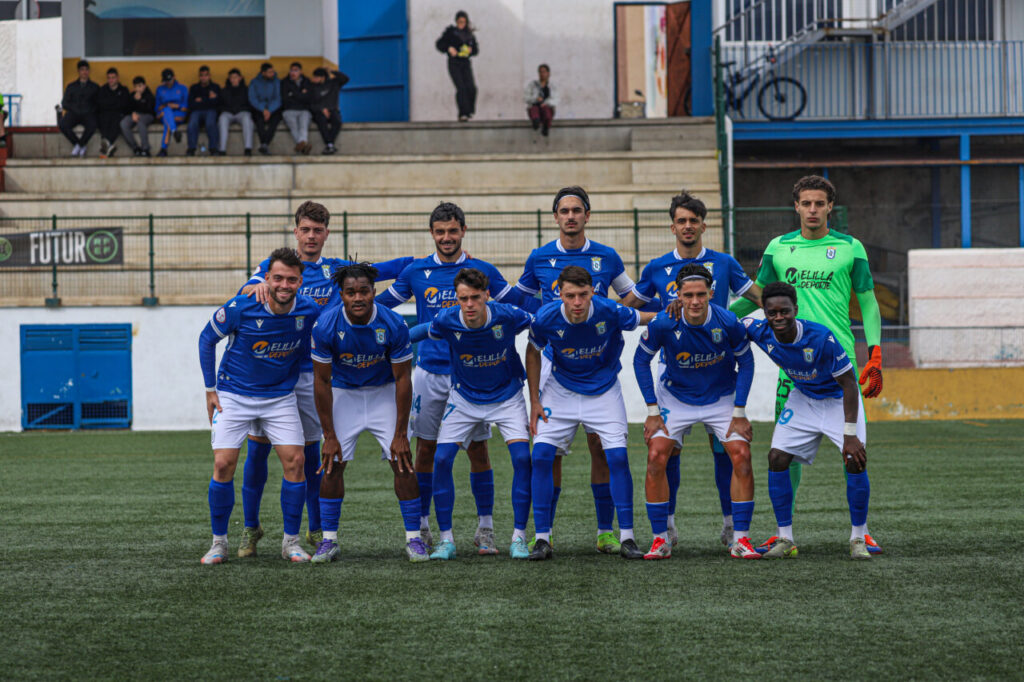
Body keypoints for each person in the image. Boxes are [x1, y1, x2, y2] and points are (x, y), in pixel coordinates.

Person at [236, 201, 413, 558]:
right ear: (296, 231)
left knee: (317, 452)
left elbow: (401, 266)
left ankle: (317, 530)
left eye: (318, 230)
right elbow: (248, 291)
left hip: (316, 373)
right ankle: (251, 529)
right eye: (306, 229)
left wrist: (432, 264)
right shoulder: (277, 271)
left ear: (327, 233)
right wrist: (250, 288)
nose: (312, 236)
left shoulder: (339, 271)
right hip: (277, 370)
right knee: (258, 448)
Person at [730, 175, 885, 555]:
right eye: (806, 203)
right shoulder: (779, 248)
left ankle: (860, 532)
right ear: (795, 206)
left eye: (820, 203)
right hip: (792, 369)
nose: (813, 210)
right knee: (784, 452)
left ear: (831, 206)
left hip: (838, 364)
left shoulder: (850, 248)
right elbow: (760, 298)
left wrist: (875, 352)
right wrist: (715, 324)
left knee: (853, 453)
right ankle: (787, 532)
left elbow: (867, 299)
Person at [376, 202, 534, 551]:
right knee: (426, 451)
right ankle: (423, 527)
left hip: (476, 375)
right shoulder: (416, 272)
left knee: (479, 451)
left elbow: (520, 303)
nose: (446, 238)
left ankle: (485, 529)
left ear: (463, 231)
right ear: (432, 234)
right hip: (430, 373)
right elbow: (379, 306)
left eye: (452, 231)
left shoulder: (483, 271)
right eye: (440, 232)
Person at [620, 191, 761, 548]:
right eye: (681, 221)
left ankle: (733, 526)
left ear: (703, 225)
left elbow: (759, 296)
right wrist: (598, 316)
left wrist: (789, 312)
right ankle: (665, 526)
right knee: (666, 453)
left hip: (719, 375)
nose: (687, 226)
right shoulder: (656, 268)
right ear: (672, 226)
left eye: (693, 221)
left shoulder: (724, 263)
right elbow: (628, 307)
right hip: (676, 380)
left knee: (726, 452)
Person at [512, 186, 642, 554]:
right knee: (547, 455)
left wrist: (615, 316)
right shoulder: (538, 257)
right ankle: (543, 535)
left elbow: (629, 298)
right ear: (555, 216)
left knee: (603, 451)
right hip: (557, 370)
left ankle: (608, 532)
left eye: (577, 210)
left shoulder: (607, 256)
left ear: (587, 215)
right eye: (564, 211)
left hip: (598, 365)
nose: (570, 216)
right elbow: (522, 301)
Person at [196, 247, 321, 564]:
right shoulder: (242, 306)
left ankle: (291, 542)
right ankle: (218, 543)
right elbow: (206, 339)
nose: (284, 285)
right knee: (224, 464)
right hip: (233, 395)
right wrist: (210, 389)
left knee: (296, 461)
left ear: (300, 281)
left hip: (279, 397)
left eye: (291, 280)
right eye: (277, 278)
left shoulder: (308, 311)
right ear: (266, 278)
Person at [526, 265, 656, 561]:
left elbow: (644, 318)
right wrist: (534, 400)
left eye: (582, 295)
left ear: (593, 292)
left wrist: (678, 311)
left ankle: (626, 537)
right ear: (559, 293)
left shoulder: (610, 310)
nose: (576, 302)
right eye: (569, 295)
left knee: (617, 457)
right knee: (542, 455)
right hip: (560, 391)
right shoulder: (546, 317)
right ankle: (542, 538)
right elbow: (532, 352)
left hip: (604, 390)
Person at [410, 267, 535, 560]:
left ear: (486, 296)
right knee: (441, 459)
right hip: (464, 398)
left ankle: (518, 537)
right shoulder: (447, 319)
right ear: (456, 298)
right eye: (463, 298)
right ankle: (446, 540)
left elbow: (539, 322)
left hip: (507, 396)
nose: (469, 305)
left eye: (475, 298)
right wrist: (390, 339)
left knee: (522, 459)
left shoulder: (507, 315)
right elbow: (419, 331)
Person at [633, 265, 757, 560]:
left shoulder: (728, 321)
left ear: (712, 294)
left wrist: (739, 411)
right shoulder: (664, 322)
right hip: (676, 397)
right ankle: (660, 538)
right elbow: (640, 362)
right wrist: (652, 411)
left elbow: (747, 363)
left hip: (721, 397)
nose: (695, 301)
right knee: (655, 455)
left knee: (741, 454)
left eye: (701, 294)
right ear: (677, 294)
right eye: (688, 295)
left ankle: (740, 537)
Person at [742, 281, 873, 560]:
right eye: (772, 312)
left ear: (796, 310)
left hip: (838, 400)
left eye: (784, 311)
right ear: (764, 312)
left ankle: (859, 538)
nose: (778, 318)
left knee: (855, 461)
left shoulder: (820, 338)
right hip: (803, 398)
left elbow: (850, 384)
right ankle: (785, 538)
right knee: (777, 458)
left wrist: (850, 434)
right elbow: (728, 324)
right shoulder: (758, 330)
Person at [310, 263, 428, 563]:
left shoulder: (393, 324)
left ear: (374, 292)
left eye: (364, 291)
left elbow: (404, 379)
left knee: (402, 462)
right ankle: (329, 541)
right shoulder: (325, 325)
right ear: (342, 295)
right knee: (332, 464)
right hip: (344, 394)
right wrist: (329, 435)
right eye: (351, 292)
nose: (358, 297)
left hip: (383, 393)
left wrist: (401, 434)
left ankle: (414, 539)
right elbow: (321, 381)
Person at [436, 10, 478, 122]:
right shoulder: (450, 32)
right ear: (456, 22)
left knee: (471, 88)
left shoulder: (469, 35)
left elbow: (476, 50)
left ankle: (469, 110)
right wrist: (449, 48)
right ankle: (462, 113)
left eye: (463, 22)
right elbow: (439, 44)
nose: (461, 24)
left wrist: (471, 50)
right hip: (454, 63)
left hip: (465, 62)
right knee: (461, 88)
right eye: (459, 22)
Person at [58, 59, 99, 157]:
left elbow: (98, 103)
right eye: (82, 70)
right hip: (74, 113)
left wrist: (89, 110)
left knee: (93, 125)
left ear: (89, 71)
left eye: (86, 70)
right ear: (78, 71)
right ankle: (79, 144)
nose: (84, 72)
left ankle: (79, 145)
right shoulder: (71, 86)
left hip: (88, 114)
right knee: (63, 124)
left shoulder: (94, 87)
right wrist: (74, 109)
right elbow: (64, 103)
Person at [309, 67, 348, 155]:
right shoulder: (312, 87)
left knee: (337, 121)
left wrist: (332, 71)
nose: (314, 79)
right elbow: (310, 103)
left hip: (333, 110)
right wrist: (321, 109)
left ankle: (330, 144)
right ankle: (329, 144)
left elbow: (345, 79)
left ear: (322, 77)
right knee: (321, 122)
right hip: (319, 112)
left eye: (316, 77)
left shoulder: (334, 83)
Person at [95, 67, 131, 158]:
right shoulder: (103, 90)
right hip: (106, 115)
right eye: (109, 78)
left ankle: (106, 144)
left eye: (113, 77)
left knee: (117, 119)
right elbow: (100, 104)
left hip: (119, 114)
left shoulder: (123, 90)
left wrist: (111, 104)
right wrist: (114, 104)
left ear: (117, 78)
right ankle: (108, 146)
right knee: (102, 118)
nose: (111, 80)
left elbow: (125, 105)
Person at [218, 68, 254, 156]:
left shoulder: (247, 90)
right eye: (231, 77)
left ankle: (248, 148)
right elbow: (220, 104)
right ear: (229, 79)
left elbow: (250, 104)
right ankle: (222, 149)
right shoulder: (224, 90)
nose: (234, 79)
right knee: (222, 119)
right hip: (228, 113)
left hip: (242, 112)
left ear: (240, 78)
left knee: (247, 120)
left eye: (236, 77)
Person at [186, 65, 221, 156]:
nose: (204, 77)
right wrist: (209, 99)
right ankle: (191, 148)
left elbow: (217, 103)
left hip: (211, 111)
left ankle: (213, 148)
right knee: (192, 123)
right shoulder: (194, 88)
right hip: (197, 111)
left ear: (209, 76)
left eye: (206, 75)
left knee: (210, 122)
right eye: (202, 75)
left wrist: (201, 100)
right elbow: (191, 104)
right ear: (199, 76)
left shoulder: (215, 87)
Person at [249, 62, 283, 155]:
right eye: (269, 72)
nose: (272, 74)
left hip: (273, 109)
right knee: (259, 122)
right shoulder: (254, 82)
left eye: (273, 72)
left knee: (274, 122)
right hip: (259, 109)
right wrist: (263, 109)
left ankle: (264, 144)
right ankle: (264, 144)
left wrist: (270, 110)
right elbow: (253, 98)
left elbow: (278, 98)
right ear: (263, 73)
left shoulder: (276, 81)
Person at [154, 68, 188, 157]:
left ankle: (164, 149)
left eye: (169, 80)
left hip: (179, 114)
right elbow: (157, 108)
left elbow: (187, 108)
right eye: (166, 81)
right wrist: (166, 106)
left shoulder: (182, 88)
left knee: (168, 122)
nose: (168, 82)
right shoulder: (160, 89)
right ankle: (174, 131)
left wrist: (176, 106)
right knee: (167, 111)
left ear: (174, 77)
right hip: (164, 114)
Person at [281, 62, 313, 154]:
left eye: (296, 70)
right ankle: (303, 145)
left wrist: (293, 94)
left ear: (301, 72)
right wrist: (301, 94)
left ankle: (300, 145)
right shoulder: (284, 82)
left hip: (304, 109)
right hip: (289, 109)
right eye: (291, 70)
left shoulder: (307, 82)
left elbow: (308, 97)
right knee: (294, 127)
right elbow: (285, 99)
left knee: (303, 126)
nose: (293, 73)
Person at [120, 76, 155, 157]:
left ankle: (145, 148)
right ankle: (135, 148)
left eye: (140, 86)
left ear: (144, 86)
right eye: (136, 86)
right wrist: (133, 112)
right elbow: (126, 109)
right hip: (134, 115)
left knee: (140, 122)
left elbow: (149, 109)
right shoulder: (132, 95)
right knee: (123, 123)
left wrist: (139, 101)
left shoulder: (149, 95)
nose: (138, 89)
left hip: (147, 116)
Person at [524, 64, 556, 136]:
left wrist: (546, 103)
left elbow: (556, 99)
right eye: (540, 72)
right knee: (534, 109)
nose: (542, 74)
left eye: (544, 72)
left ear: (548, 73)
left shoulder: (552, 86)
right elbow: (526, 97)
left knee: (546, 111)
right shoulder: (533, 85)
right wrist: (536, 99)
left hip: (546, 107)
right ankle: (536, 122)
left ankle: (545, 127)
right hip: (535, 107)